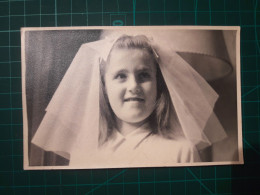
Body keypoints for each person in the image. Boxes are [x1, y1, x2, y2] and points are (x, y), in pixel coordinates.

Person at [31, 30, 229, 168]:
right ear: (104, 87)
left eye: (143, 75)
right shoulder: (83, 155)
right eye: (120, 76)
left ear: (158, 85)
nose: (133, 86)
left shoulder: (182, 151)